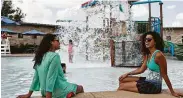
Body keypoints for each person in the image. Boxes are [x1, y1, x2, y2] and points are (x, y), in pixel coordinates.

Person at [118, 31, 183, 97]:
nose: (146, 41)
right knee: (122, 79)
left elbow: (164, 75)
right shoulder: (148, 55)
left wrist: (172, 92)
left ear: (155, 42)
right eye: (145, 40)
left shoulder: (159, 55)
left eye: (149, 40)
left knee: (122, 86)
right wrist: (127, 73)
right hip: (147, 80)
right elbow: (141, 70)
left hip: (154, 86)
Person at [17, 34, 84, 98]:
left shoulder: (40, 56)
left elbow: (36, 78)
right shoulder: (54, 56)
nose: (59, 42)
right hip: (56, 91)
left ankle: (67, 94)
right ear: (51, 42)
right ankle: (65, 94)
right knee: (80, 88)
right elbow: (51, 77)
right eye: (57, 41)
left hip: (44, 92)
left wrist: (29, 94)